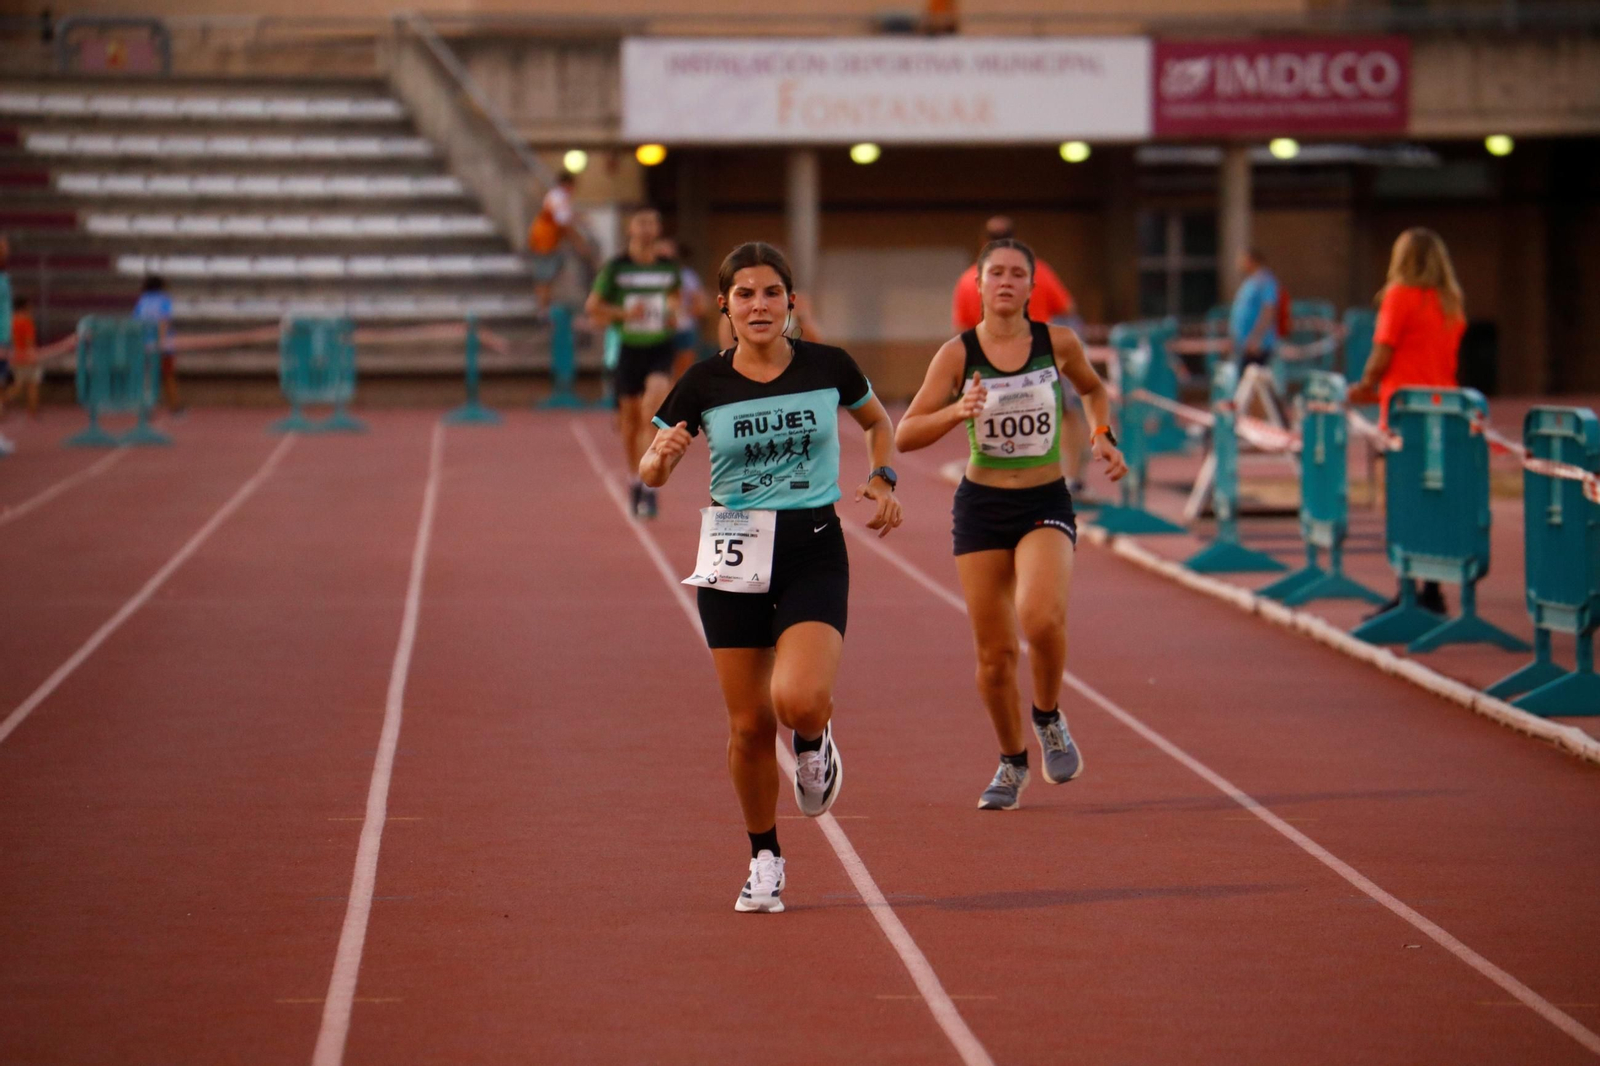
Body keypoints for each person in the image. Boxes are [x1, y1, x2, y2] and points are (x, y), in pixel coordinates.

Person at [640, 241, 902, 913]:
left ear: (792, 302)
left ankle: (815, 745)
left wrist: (882, 475)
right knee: (750, 726)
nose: (759, 304)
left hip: (812, 545)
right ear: (724, 306)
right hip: (734, 554)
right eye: (745, 294)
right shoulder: (702, 382)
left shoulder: (828, 366)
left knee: (798, 702)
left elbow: (878, 423)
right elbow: (650, 470)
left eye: (771, 292)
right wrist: (662, 457)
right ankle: (764, 857)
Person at [897, 238, 1127, 811]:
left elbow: (1094, 390)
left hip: (1044, 499)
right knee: (995, 655)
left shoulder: (1057, 343)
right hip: (981, 506)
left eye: (1016, 274)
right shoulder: (958, 354)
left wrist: (1101, 436)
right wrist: (957, 411)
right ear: (978, 283)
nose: (1005, 281)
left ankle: (1048, 716)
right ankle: (1011, 761)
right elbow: (905, 434)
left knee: (1042, 616)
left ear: (1031, 285)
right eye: (995, 272)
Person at [1348, 227, 1467, 617]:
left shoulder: (1399, 297)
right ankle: (1433, 589)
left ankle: (1407, 589)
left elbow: (1383, 353)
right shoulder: (1450, 302)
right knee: (1432, 501)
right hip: (1444, 411)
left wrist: (1364, 385)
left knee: (1398, 502)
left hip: (1403, 413)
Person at [951, 217, 1087, 490]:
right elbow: (1068, 307)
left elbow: (962, 330)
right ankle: (1070, 476)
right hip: (1038, 356)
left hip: (999, 362)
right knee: (1062, 412)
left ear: (982, 242)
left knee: (1006, 418)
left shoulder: (970, 281)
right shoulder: (1036, 272)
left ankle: (1017, 474)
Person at [586, 209, 680, 519]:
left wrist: (673, 312)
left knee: (650, 414)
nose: (646, 229)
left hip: (660, 347)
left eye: (652, 222)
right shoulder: (616, 268)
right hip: (628, 349)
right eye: (640, 223)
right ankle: (635, 479)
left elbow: (677, 300)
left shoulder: (668, 268)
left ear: (658, 228)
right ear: (630, 228)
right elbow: (594, 307)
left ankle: (649, 484)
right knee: (629, 425)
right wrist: (625, 314)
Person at [528, 170, 591, 312]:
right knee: (544, 277)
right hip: (545, 241)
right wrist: (579, 243)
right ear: (567, 185)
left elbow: (566, 218)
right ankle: (543, 309)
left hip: (547, 240)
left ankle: (545, 307)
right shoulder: (558, 197)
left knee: (547, 277)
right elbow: (564, 223)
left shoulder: (556, 197)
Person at [657, 237, 710, 380]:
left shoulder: (687, 275)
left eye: (669, 254)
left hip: (683, 329)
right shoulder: (651, 276)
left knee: (682, 374)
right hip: (656, 331)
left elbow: (701, 305)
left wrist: (683, 313)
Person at [133, 274, 180, 413]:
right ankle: (174, 406)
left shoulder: (142, 302)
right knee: (168, 375)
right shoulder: (164, 301)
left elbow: (136, 322)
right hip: (164, 344)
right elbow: (164, 321)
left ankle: (147, 407)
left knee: (147, 377)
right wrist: (161, 341)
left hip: (145, 345)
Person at [5, 296, 39, 418]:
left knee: (20, 385)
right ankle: (32, 411)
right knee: (30, 385)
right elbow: (29, 340)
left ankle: (32, 411)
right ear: (25, 306)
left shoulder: (10, 320)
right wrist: (32, 356)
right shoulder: (26, 321)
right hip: (25, 356)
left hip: (14, 356)